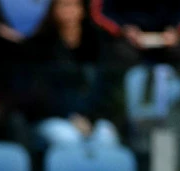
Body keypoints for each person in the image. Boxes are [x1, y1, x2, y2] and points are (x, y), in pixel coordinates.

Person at [23, 0, 121, 148]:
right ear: (53, 10)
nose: (70, 11)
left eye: (74, 5)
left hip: (91, 118)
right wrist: (69, 116)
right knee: (67, 137)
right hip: (52, 117)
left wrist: (91, 118)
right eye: (64, 5)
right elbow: (38, 94)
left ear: (82, 10)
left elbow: (106, 90)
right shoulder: (39, 47)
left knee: (105, 135)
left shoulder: (97, 44)